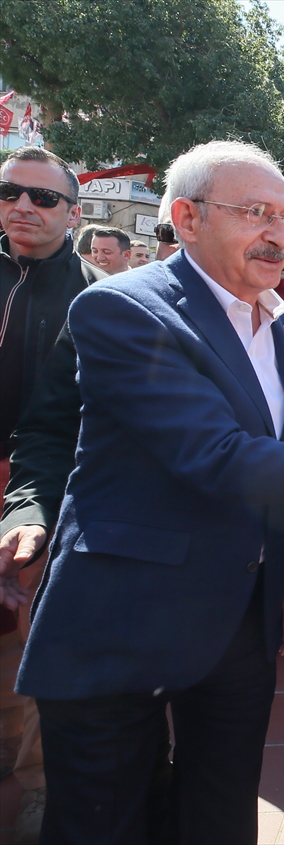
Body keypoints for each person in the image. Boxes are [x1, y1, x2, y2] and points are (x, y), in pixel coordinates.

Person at [14, 139, 284, 844]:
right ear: (187, 218)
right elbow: (220, 458)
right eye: (255, 212)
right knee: (102, 820)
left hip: (239, 620)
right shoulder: (121, 311)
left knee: (220, 815)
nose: (278, 234)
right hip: (121, 619)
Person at [0, 144, 105, 843]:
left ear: (73, 212)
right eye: (11, 192)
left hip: (50, 492)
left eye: (43, 198)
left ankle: (36, 781)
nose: (23, 207)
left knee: (31, 637)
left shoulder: (98, 295)